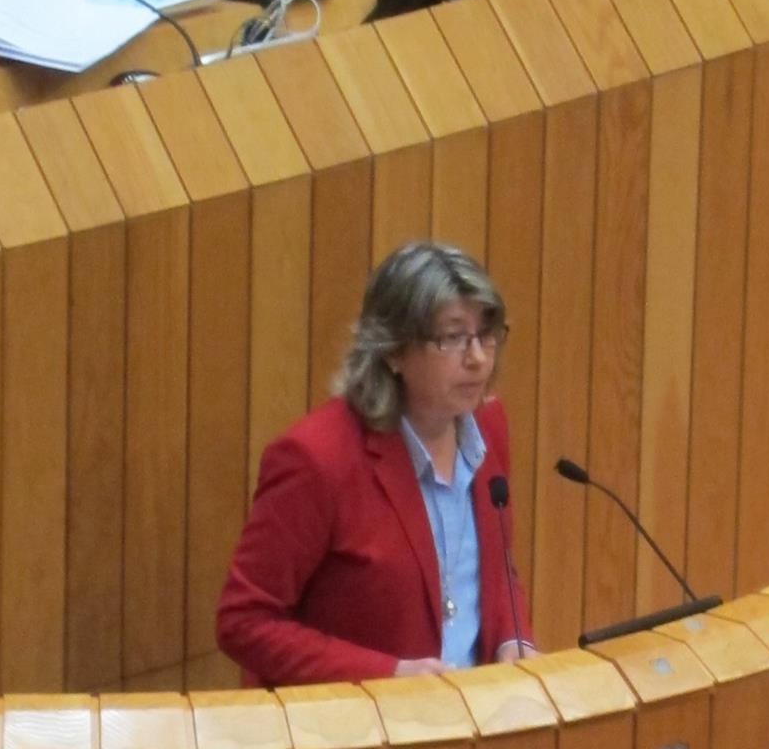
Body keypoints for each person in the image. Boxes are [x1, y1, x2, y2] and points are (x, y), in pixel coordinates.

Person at [216, 241, 536, 686]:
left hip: (472, 714)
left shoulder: (488, 425)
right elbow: (244, 621)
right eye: (452, 338)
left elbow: (495, 569)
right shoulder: (317, 459)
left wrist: (511, 638)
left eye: (486, 334)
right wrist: (387, 675)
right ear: (393, 351)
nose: (478, 357)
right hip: (359, 722)